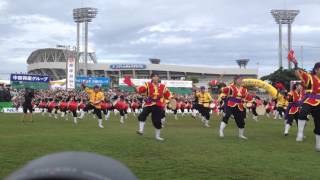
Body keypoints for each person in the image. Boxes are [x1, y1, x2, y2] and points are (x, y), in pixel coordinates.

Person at [136, 73, 171, 141]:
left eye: (157, 76)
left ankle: (157, 136)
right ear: (151, 78)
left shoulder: (163, 86)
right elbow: (141, 90)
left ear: (158, 78)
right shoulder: (147, 84)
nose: (155, 78)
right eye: (154, 76)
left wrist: (171, 100)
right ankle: (141, 130)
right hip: (149, 102)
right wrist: (138, 89)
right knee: (142, 115)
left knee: (157, 121)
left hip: (158, 104)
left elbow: (168, 95)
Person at [295, 62, 320, 151]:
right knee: (302, 113)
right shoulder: (310, 77)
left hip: (319, 103)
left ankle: (318, 145)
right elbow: (298, 73)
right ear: (316, 69)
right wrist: (295, 64)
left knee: (318, 124)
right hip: (309, 100)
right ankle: (300, 133)